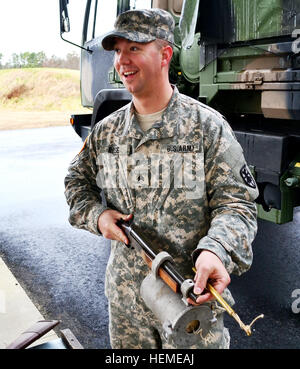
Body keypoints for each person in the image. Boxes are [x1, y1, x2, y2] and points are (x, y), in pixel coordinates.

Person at [64, 8, 259, 349]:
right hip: (127, 308)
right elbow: (76, 183)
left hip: (190, 309)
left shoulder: (207, 128)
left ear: (165, 54)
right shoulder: (106, 132)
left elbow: (237, 204)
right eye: (118, 51)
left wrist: (217, 250)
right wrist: (98, 216)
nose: (122, 61)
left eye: (134, 49)